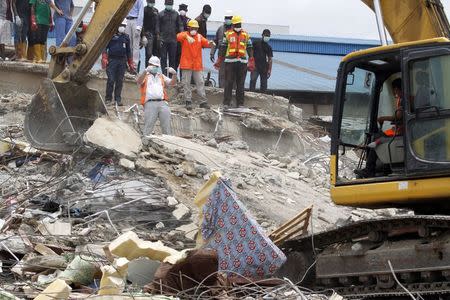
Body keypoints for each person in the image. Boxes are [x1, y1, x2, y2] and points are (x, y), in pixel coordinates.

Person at [355, 79, 404, 179]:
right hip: (400, 129)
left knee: (377, 139)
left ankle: (370, 170)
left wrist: (383, 118)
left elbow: (398, 116)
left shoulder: (404, 100)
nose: (394, 92)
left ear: (397, 89)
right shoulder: (403, 99)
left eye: (394, 90)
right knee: (378, 136)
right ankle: (382, 168)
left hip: (401, 131)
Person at [214, 16, 255, 109]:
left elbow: (249, 47)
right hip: (230, 62)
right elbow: (223, 47)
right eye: (237, 24)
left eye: (239, 24)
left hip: (242, 62)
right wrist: (220, 59)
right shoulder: (227, 34)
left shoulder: (245, 34)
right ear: (233, 24)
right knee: (228, 82)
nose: (238, 26)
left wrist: (251, 59)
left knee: (240, 84)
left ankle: (240, 104)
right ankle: (226, 103)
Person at [136, 56, 177, 135]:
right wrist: (145, 71)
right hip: (150, 103)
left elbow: (172, 83)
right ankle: (145, 142)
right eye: (152, 65)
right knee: (148, 126)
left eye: (156, 66)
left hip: (163, 103)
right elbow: (139, 81)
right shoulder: (145, 75)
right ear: (149, 65)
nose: (154, 67)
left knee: (166, 126)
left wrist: (174, 74)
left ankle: (167, 144)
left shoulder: (161, 76)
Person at [177, 19, 213, 110]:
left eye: (196, 28)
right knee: (186, 83)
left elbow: (207, 43)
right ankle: (188, 101)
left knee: (200, 82)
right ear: (189, 28)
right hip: (186, 64)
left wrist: (211, 43)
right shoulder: (184, 35)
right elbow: (178, 36)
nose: (194, 30)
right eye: (193, 28)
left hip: (197, 65)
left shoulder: (199, 37)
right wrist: (186, 36)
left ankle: (203, 102)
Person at [102, 20, 135, 106]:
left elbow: (128, 51)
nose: (122, 27)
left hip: (122, 61)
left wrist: (130, 62)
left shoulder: (126, 37)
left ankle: (118, 100)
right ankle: (108, 99)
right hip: (112, 60)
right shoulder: (111, 36)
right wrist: (105, 57)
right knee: (111, 80)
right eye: (121, 25)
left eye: (124, 26)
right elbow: (105, 47)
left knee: (119, 81)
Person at [159, 0, 183, 76]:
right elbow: (157, 26)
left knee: (172, 59)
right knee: (163, 58)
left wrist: (181, 34)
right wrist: (159, 38)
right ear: (165, 4)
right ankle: (164, 74)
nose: (169, 5)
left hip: (173, 40)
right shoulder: (161, 14)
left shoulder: (176, 14)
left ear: (172, 5)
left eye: (170, 4)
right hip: (163, 40)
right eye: (167, 4)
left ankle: (171, 76)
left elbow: (180, 25)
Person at [210, 10, 233, 88]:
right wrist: (212, 53)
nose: (227, 19)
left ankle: (232, 92)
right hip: (221, 56)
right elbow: (215, 41)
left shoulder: (235, 30)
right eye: (226, 18)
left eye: (229, 18)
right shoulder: (220, 29)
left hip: (232, 57)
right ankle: (221, 92)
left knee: (231, 76)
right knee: (222, 75)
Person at [250, 29, 273, 93]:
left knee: (264, 85)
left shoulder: (269, 47)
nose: (267, 37)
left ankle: (262, 98)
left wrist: (269, 70)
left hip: (264, 68)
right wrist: (251, 60)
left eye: (268, 36)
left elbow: (270, 59)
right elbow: (251, 51)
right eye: (266, 35)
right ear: (262, 35)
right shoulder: (255, 43)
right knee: (253, 80)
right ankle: (251, 95)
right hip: (255, 67)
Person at [125, 0, 144, 72]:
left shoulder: (139, 0)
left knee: (135, 46)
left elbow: (141, 13)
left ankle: (134, 66)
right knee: (127, 44)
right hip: (127, 20)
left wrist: (139, 27)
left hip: (135, 21)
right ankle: (127, 64)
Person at [143, 0, 159, 67]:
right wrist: (143, 35)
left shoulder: (156, 10)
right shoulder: (144, 10)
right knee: (148, 54)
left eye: (153, 2)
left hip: (156, 34)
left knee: (156, 54)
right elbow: (142, 23)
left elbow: (158, 23)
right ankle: (147, 70)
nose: (152, 3)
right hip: (148, 33)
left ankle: (154, 70)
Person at [176, 3, 190, 76]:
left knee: (183, 63)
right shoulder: (175, 18)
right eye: (181, 10)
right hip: (176, 44)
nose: (182, 11)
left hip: (185, 45)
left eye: (184, 10)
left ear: (186, 11)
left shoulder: (189, 20)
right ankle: (173, 78)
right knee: (175, 62)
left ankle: (182, 80)